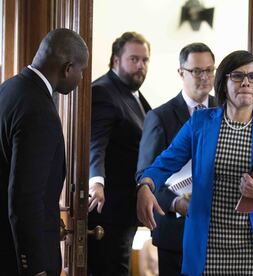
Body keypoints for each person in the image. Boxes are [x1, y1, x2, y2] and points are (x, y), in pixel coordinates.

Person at [136, 50, 253, 276]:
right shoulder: (201, 123)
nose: (246, 83)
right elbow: (164, 163)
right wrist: (145, 185)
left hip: (252, 249)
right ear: (223, 83)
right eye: (238, 76)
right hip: (207, 246)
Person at [0, 28, 88, 276]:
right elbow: (25, 199)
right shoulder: (39, 111)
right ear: (67, 68)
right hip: (19, 259)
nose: (81, 78)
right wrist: (34, 266)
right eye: (81, 71)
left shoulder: (9, 89)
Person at [137, 42, 215, 275]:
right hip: (175, 230)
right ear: (181, 73)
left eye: (209, 70)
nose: (204, 77)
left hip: (218, 231)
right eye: (197, 71)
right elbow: (145, 175)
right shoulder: (159, 117)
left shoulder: (226, 111)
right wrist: (177, 203)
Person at [88, 32, 151, 275]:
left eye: (145, 60)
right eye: (134, 59)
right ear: (116, 60)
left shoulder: (133, 95)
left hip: (126, 210)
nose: (140, 66)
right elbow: (96, 143)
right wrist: (96, 181)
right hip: (109, 210)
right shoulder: (104, 92)